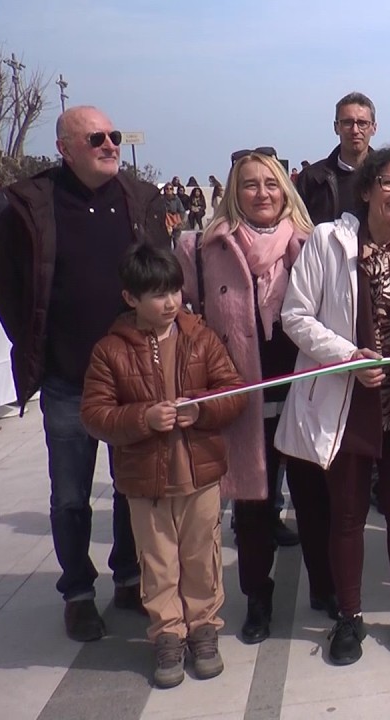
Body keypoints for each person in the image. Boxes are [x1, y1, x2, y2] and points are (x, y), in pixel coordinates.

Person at [0, 105, 169, 642]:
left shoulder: (138, 200)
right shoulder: (32, 205)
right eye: (97, 137)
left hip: (132, 377)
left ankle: (130, 577)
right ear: (65, 147)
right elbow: (8, 286)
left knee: (130, 485)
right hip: (69, 379)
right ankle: (78, 592)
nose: (110, 144)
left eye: (114, 135)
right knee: (70, 493)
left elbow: (161, 275)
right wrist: (37, 343)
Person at [275, 146, 390, 664]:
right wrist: (348, 356)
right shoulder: (328, 242)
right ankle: (348, 617)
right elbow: (296, 316)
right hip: (346, 400)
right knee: (346, 515)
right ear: (367, 189)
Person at [176, 147, 336, 644]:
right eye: (250, 184)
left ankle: (325, 588)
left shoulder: (314, 246)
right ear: (234, 192)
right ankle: (258, 598)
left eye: (271, 184)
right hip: (240, 397)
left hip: (303, 391)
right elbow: (184, 316)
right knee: (251, 507)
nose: (262, 194)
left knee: (315, 499)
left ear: (285, 190)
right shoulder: (205, 248)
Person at [79, 243, 247, 688]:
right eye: (157, 294)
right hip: (144, 481)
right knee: (157, 562)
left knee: (201, 557)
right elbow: (95, 414)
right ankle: (168, 634)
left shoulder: (201, 336)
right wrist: (142, 418)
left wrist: (204, 409)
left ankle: (204, 628)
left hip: (201, 475)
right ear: (130, 298)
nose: (170, 302)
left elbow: (233, 391)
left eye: (174, 290)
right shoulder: (110, 350)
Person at [296, 92, 377, 225]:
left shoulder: (385, 178)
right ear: (336, 127)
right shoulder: (312, 179)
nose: (355, 130)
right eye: (347, 122)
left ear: (373, 128)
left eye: (362, 123)